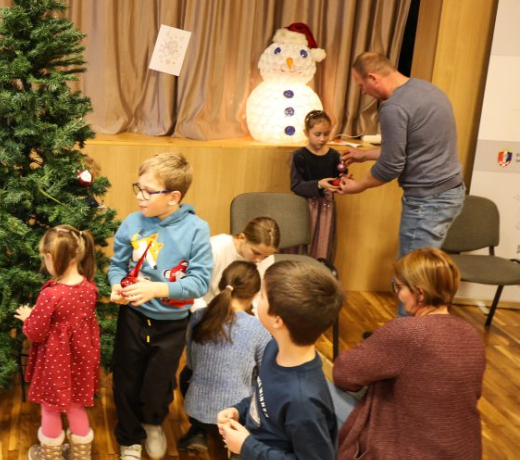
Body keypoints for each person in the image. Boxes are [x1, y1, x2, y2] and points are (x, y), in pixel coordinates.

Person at [332, 249, 484, 460]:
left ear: (420, 293)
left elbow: (344, 374)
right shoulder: (470, 333)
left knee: (315, 385)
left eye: (399, 287)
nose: (398, 295)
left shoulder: (409, 331)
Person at [108, 153, 213, 460]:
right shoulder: (132, 223)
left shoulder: (197, 230)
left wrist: (157, 289)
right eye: (137, 188)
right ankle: (130, 441)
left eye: (147, 191)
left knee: (158, 380)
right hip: (133, 318)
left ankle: (153, 422)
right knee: (126, 380)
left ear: (173, 197)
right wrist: (116, 286)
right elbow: (117, 266)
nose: (139, 196)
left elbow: (198, 282)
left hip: (171, 323)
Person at [339, 52, 465, 315]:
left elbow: (390, 166)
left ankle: (404, 344)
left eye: (361, 85)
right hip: (449, 193)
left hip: (428, 202)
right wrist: (364, 154)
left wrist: (359, 185)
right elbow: (412, 148)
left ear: (373, 77)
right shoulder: (427, 90)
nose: (363, 92)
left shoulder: (394, 107)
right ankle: (411, 341)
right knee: (421, 275)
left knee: (412, 280)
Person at [217, 260, 344, 460]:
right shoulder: (273, 347)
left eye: (263, 296)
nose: (256, 300)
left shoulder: (303, 400)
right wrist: (240, 410)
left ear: (277, 320)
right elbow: (264, 398)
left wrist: (247, 446)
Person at [15, 225, 101, 460]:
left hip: (55, 363)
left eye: (45, 257)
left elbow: (36, 332)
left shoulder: (51, 295)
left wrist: (28, 316)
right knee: (76, 406)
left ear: (53, 258)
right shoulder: (89, 289)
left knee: (51, 408)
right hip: (82, 361)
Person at [179, 261, 270, 460]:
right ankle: (239, 445)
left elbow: (192, 364)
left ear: (221, 285)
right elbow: (266, 376)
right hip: (235, 415)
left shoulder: (197, 316)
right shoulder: (258, 328)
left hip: (196, 408)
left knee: (186, 373)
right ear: (254, 295)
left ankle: (198, 431)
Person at [290, 110, 342, 264]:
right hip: (304, 207)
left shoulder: (334, 156)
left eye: (326, 134)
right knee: (302, 244)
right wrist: (319, 184)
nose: (322, 139)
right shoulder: (300, 156)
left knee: (322, 243)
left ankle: (316, 276)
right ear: (307, 133)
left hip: (326, 207)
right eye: (317, 134)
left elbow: (338, 179)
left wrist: (342, 182)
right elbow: (295, 185)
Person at [197, 216, 279, 309]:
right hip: (208, 309)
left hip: (242, 313)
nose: (259, 260)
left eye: (265, 256)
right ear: (242, 237)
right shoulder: (215, 248)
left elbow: (258, 297)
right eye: (256, 253)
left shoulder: (267, 257)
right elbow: (193, 291)